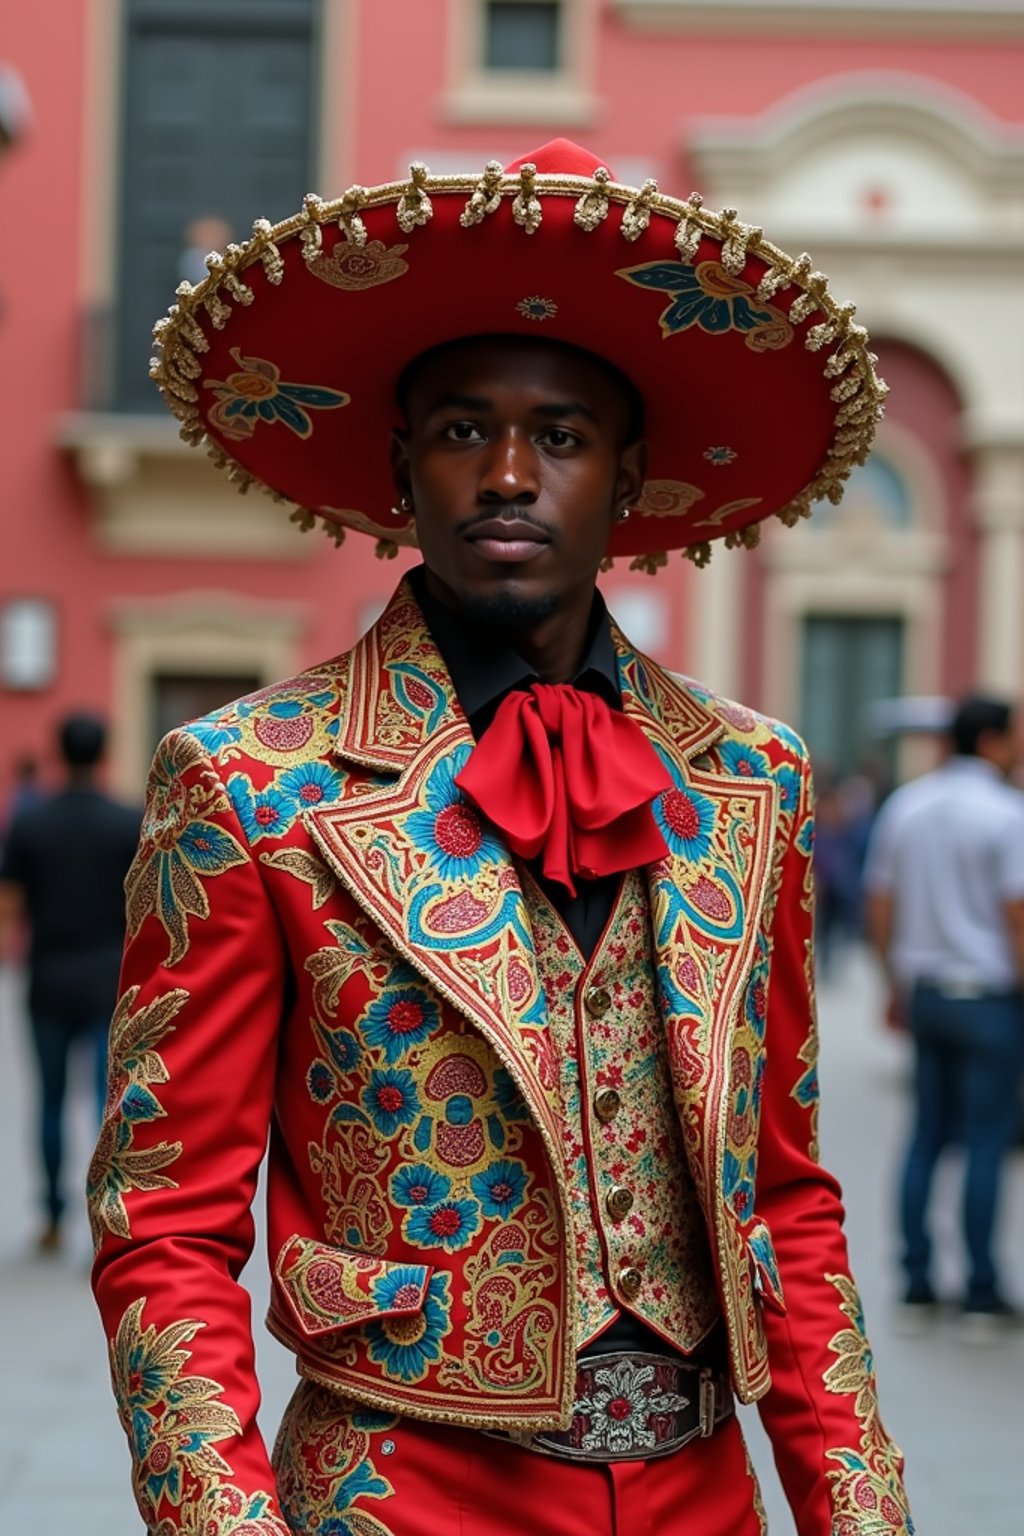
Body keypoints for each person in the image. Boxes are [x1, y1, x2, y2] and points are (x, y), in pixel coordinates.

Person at [87, 140, 911, 1535]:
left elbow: (785, 1193)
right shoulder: (247, 785)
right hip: (399, 1495)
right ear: (403, 469)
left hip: (700, 1500)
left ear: (631, 479)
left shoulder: (752, 782)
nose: (511, 472)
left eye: (565, 436)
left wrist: (861, 1507)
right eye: (465, 431)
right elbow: (166, 1226)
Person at [864, 695, 1024, 1337]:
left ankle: (916, 1279)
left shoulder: (909, 804)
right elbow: (1016, 917)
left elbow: (879, 902)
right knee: (986, 1140)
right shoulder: (1008, 813)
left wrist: (893, 979)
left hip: (926, 988)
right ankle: (980, 1289)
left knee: (926, 1133)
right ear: (990, 740)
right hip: (988, 993)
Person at [0, 713, 140, 1251]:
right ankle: (108, 1216)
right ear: (105, 754)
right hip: (111, 980)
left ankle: (54, 1219)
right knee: (110, 1106)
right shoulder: (128, 820)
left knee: (51, 1099)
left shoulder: (31, 823)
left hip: (49, 977)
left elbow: (10, 905)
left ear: (58, 753)